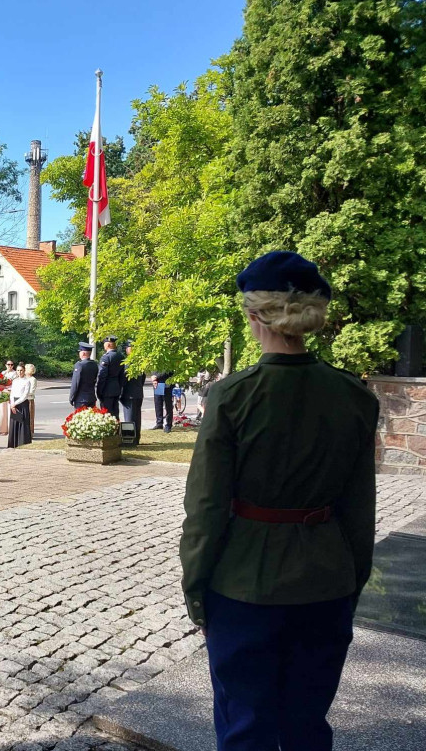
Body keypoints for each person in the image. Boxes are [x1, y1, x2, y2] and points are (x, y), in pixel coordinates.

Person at [180, 250, 379, 751]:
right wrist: (352, 581)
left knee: (245, 723)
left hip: (244, 584)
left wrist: (196, 586)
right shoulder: (355, 396)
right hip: (326, 581)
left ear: (253, 316)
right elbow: (360, 508)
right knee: (308, 722)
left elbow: (205, 509)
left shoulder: (231, 396)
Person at [119, 341, 146, 444]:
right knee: (137, 418)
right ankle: (136, 439)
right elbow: (143, 378)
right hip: (138, 393)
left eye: (127, 347)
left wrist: (121, 392)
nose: (126, 349)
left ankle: (129, 440)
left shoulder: (127, 363)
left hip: (129, 394)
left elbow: (124, 379)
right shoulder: (139, 362)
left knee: (129, 418)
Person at [97, 336, 126, 419]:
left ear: (108, 345)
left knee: (106, 414)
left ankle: (109, 431)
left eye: (104, 344)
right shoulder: (120, 356)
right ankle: (116, 430)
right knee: (115, 413)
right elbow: (121, 375)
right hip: (116, 388)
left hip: (106, 390)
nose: (104, 346)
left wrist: (99, 391)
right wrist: (119, 387)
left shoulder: (106, 357)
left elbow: (102, 375)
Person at [7, 365, 32, 448]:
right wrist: (12, 403)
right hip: (14, 403)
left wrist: (15, 403)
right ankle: (13, 444)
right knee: (14, 423)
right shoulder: (15, 381)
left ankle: (23, 443)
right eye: (18, 370)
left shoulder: (27, 381)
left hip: (22, 403)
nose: (19, 372)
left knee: (23, 424)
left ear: (24, 371)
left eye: (21, 370)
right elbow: (12, 393)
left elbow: (25, 395)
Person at [69, 342, 98, 409]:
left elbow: (75, 383)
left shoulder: (79, 365)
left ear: (83, 353)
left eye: (80, 351)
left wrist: (71, 398)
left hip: (81, 399)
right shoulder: (94, 364)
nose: (79, 353)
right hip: (91, 398)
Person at [0, 360, 17, 434]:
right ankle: (3, 429)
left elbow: (15, 384)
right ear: (6, 365)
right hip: (3, 392)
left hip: (11, 392)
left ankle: (11, 429)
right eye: (8, 364)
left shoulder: (15, 373)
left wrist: (9, 388)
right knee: (3, 411)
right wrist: (1, 387)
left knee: (10, 411)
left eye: (12, 364)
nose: (10, 366)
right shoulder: (3, 373)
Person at [24, 363, 38, 435]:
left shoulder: (33, 379)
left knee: (30, 416)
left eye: (25, 369)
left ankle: (30, 432)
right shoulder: (23, 378)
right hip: (22, 400)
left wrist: (23, 394)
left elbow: (32, 391)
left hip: (29, 400)